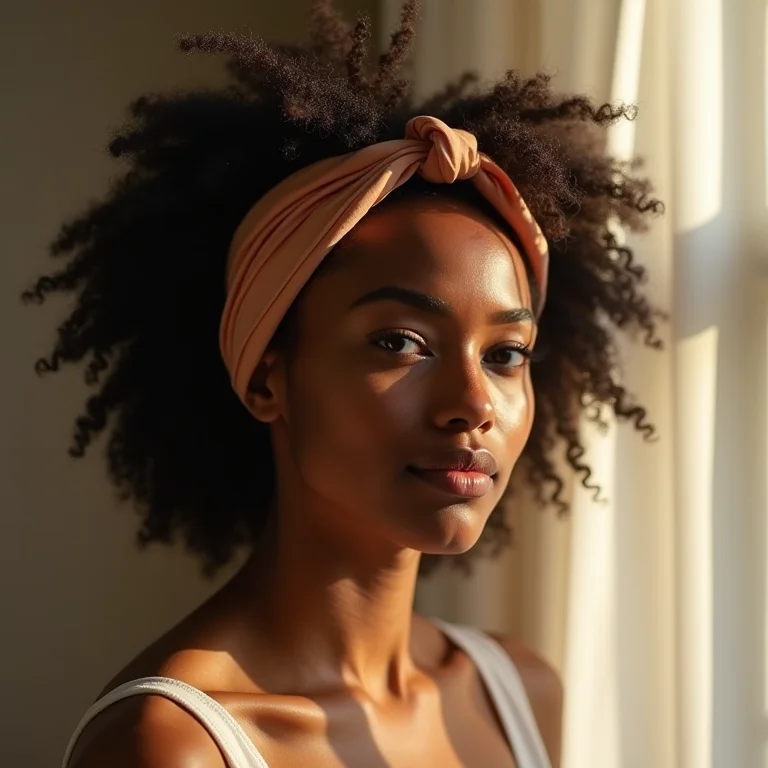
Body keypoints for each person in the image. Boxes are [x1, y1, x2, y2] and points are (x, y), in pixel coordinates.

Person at [26, 1, 663, 766]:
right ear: (269, 379)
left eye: (505, 354)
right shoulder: (173, 746)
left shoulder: (520, 693)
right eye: (401, 342)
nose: (472, 405)